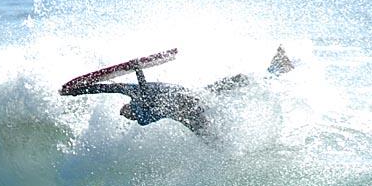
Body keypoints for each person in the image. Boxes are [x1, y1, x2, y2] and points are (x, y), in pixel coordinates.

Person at [61, 46, 294, 134]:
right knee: (215, 134)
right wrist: (137, 68)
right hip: (189, 109)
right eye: (127, 114)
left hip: (189, 99)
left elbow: (107, 87)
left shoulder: (133, 95)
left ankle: (275, 68)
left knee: (233, 83)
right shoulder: (143, 116)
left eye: (126, 111)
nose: (126, 114)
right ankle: (275, 69)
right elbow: (143, 91)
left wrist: (78, 90)